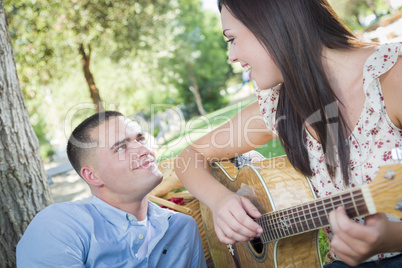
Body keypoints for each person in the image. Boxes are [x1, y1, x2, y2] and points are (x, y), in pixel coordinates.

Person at [174, 0, 402, 267]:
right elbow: (188, 157)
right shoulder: (279, 105)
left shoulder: (389, 77)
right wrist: (221, 200)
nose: (232, 56)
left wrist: (392, 238)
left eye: (232, 39)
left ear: (272, 23)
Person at [17, 111, 207, 268]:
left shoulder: (182, 228)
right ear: (93, 176)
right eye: (121, 148)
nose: (143, 150)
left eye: (140, 139)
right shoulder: (60, 226)